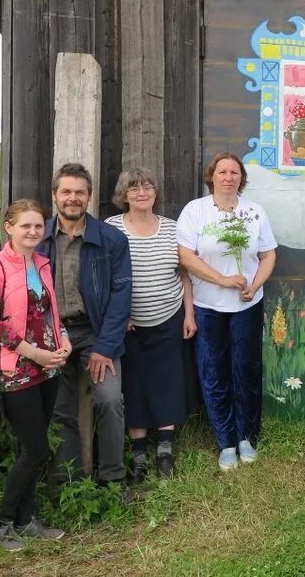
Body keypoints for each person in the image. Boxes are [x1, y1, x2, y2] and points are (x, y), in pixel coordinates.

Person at [0, 200, 70, 551]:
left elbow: (48, 313)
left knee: (34, 447)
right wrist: (33, 352)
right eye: (25, 225)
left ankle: (26, 521)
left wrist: (64, 341)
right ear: (9, 227)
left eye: (38, 226)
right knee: (36, 449)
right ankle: (0, 525)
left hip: (47, 366)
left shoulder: (42, 263)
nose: (32, 231)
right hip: (13, 370)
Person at [177, 152, 278, 471]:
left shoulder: (254, 211)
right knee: (213, 372)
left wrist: (253, 284)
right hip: (208, 307)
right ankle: (225, 441)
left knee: (245, 370)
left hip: (246, 305)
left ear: (241, 179)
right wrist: (221, 279)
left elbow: (269, 255)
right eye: (222, 171)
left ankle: (247, 436)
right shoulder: (196, 210)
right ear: (212, 177)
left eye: (235, 172)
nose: (228, 177)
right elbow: (186, 257)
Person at [38, 163, 132, 488]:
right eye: (66, 191)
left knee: (109, 399)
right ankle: (69, 484)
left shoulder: (111, 240)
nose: (73, 198)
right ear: (55, 196)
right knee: (60, 410)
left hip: (96, 332)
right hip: (52, 335)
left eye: (80, 192)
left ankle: (112, 481)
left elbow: (122, 296)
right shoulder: (39, 238)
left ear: (89, 197)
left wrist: (105, 347)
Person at [106, 168, 197, 480]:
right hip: (129, 325)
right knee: (135, 385)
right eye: (134, 189)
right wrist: (120, 314)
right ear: (124, 195)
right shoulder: (112, 229)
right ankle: (139, 452)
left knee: (167, 382)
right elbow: (103, 277)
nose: (142, 193)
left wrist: (189, 314)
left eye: (147, 187)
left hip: (169, 317)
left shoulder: (173, 229)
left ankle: (165, 449)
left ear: (155, 193)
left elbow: (184, 274)